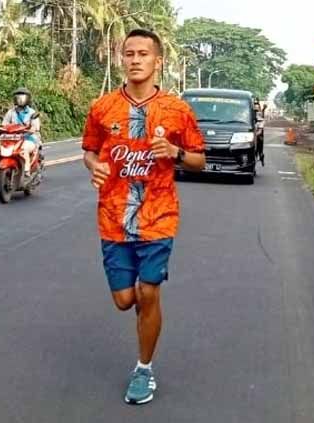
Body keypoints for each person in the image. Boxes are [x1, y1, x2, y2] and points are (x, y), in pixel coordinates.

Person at [81, 29, 206, 405]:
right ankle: (144, 309)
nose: (135, 60)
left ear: (157, 62)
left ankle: (144, 368)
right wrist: (95, 166)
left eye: (143, 54)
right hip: (112, 218)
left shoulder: (177, 110)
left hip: (158, 216)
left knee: (148, 291)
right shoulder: (102, 108)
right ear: (122, 59)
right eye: (129, 53)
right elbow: (88, 150)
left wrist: (175, 152)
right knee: (124, 300)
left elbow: (200, 160)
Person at [2, 87, 42, 178]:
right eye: (18, 97)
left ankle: (26, 170)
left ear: (27, 99)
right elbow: (4, 124)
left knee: (23, 149)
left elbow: (36, 126)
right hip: (14, 139)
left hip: (29, 139)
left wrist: (33, 129)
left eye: (23, 97)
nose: (20, 99)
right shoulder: (11, 112)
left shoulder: (32, 112)